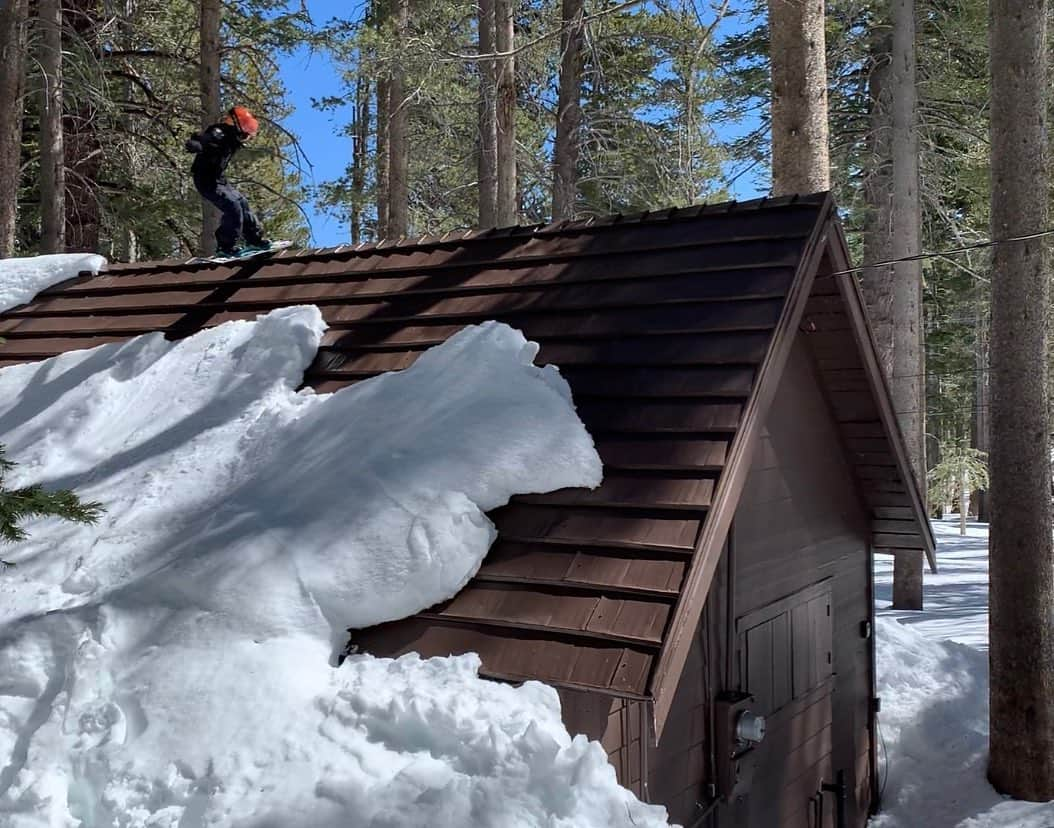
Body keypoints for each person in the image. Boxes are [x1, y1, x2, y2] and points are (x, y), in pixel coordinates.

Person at [185, 105, 270, 257]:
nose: (246, 137)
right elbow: (204, 139)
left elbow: (234, 136)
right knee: (233, 206)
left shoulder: (232, 138)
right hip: (206, 180)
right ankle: (225, 247)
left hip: (219, 179)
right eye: (246, 131)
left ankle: (254, 240)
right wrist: (196, 144)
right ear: (238, 126)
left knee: (242, 202)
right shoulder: (220, 133)